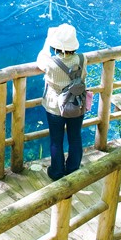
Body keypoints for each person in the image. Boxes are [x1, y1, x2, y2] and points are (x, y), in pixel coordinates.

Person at [37, 23, 87, 180]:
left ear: (55, 45)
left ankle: (57, 172)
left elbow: (41, 57)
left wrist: (48, 39)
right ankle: (73, 169)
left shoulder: (50, 63)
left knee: (56, 140)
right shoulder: (82, 58)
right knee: (75, 136)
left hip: (55, 108)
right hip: (77, 103)